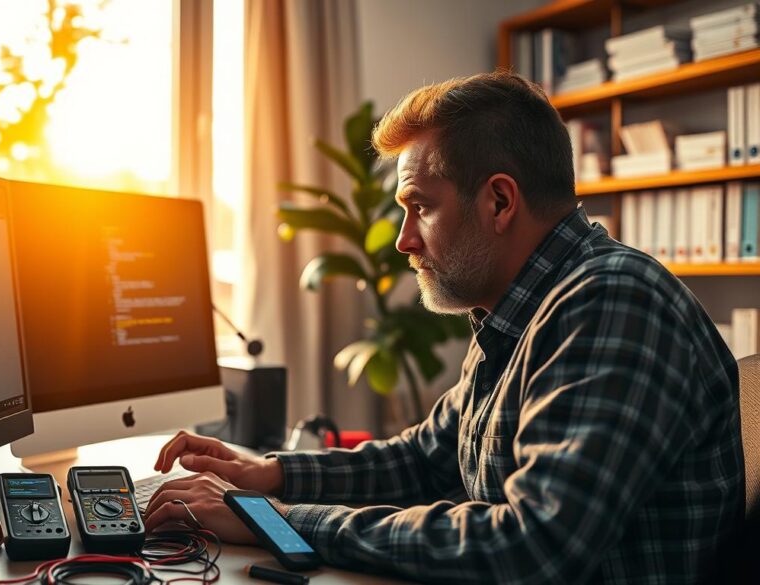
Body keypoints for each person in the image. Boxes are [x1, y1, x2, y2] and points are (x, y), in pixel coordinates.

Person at [142, 70, 744, 583]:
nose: (403, 240)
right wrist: (268, 474)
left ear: (500, 202)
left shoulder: (613, 301)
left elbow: (533, 545)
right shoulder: (520, 314)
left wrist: (269, 516)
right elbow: (425, 460)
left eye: (420, 207)